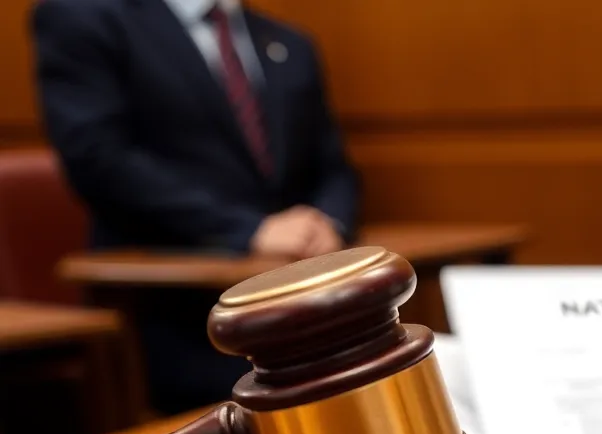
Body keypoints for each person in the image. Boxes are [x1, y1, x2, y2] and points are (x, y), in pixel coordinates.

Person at [30, 0, 361, 413]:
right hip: (174, 313)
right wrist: (248, 230)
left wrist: (328, 222)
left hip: (302, 301)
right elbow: (100, 161)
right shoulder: (83, 18)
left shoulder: (287, 41)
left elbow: (332, 166)